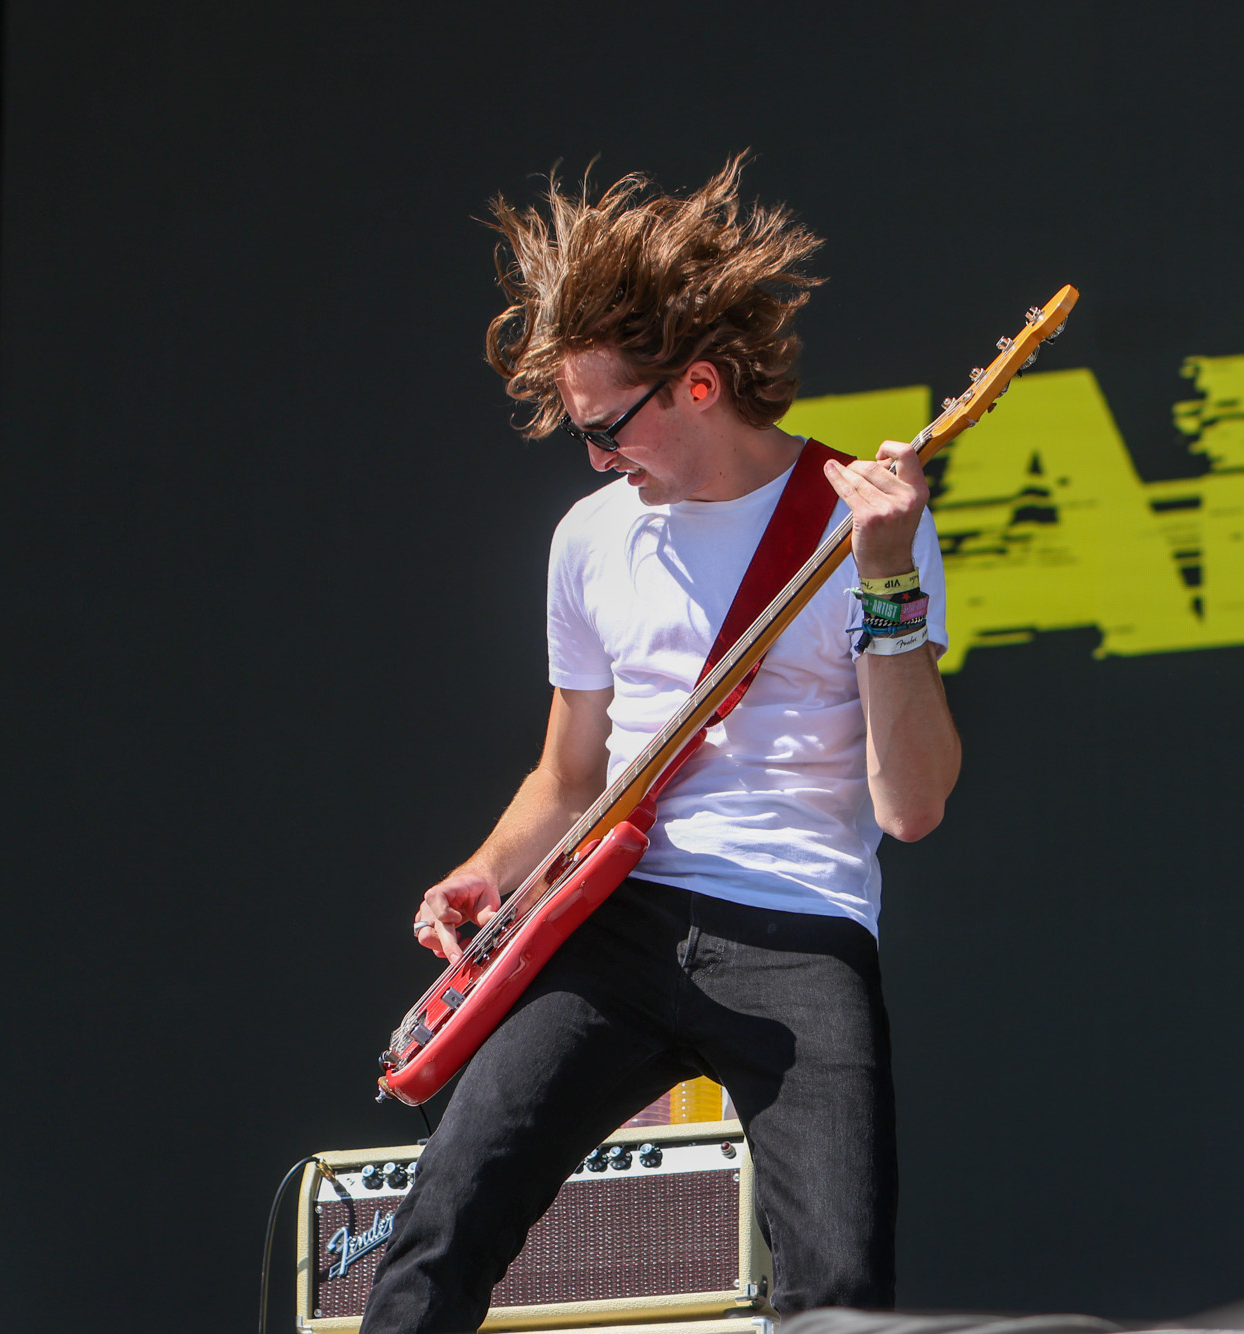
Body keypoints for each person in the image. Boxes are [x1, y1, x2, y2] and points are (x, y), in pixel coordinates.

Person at [361, 156, 961, 1333]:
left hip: (801, 927)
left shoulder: (860, 521)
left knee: (841, 1291)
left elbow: (912, 805)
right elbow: (567, 774)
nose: (594, 457)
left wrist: (886, 575)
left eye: (605, 427)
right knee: (440, 1222)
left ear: (696, 384)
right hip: (622, 921)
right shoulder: (589, 538)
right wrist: (486, 868)